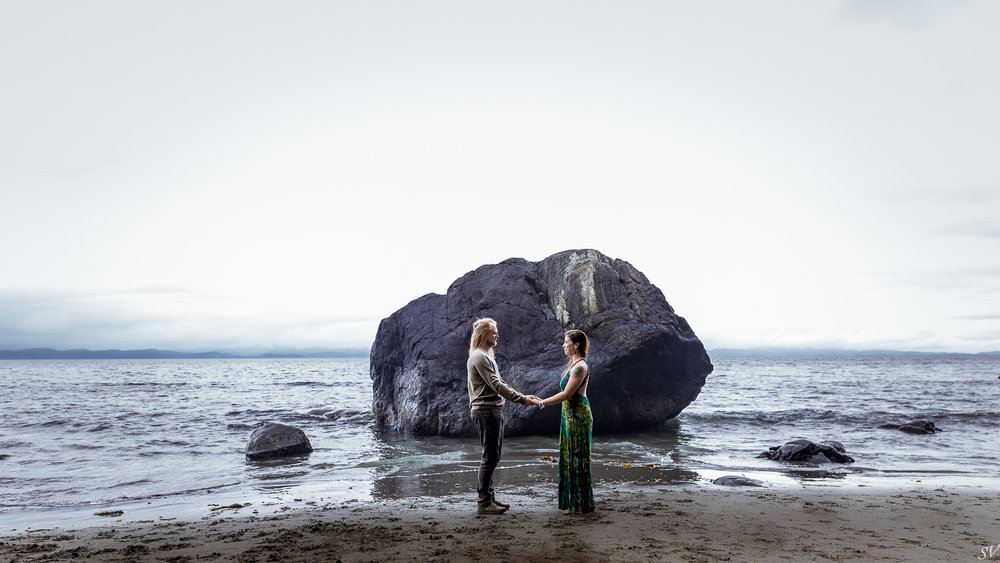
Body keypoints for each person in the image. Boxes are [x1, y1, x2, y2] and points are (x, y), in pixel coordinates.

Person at [467, 318, 542, 515]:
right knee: (489, 456)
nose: (497, 335)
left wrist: (522, 397)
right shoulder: (479, 357)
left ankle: (489, 498)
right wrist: (522, 399)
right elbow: (497, 385)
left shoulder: (485, 356)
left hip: (490, 410)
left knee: (493, 456)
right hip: (486, 411)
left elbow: (499, 383)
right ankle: (484, 503)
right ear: (484, 334)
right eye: (493, 332)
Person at [537, 329, 595, 514]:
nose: (563, 345)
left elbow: (566, 394)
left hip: (578, 416)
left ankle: (578, 503)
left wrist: (541, 402)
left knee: (577, 458)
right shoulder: (574, 364)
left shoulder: (580, 367)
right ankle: (572, 501)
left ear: (575, 344)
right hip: (570, 415)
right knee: (570, 457)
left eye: (566, 342)